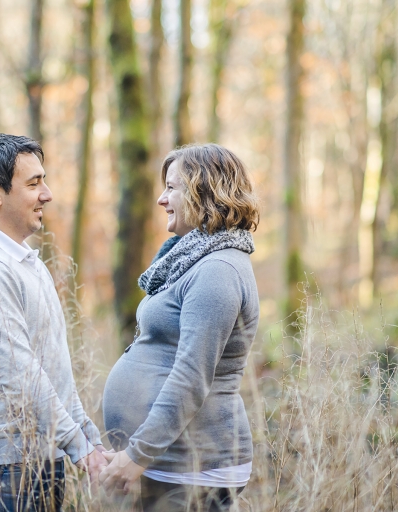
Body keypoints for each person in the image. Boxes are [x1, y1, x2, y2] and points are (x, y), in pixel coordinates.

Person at [0, 134, 107, 512]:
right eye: (34, 184)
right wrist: (80, 449)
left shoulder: (22, 262)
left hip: (39, 464)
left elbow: (51, 368)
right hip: (1, 476)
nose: (47, 194)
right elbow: (22, 376)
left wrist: (87, 437)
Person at [99, 143, 260, 511]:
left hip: (194, 468)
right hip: (171, 463)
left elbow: (191, 377)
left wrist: (136, 455)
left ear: (204, 191)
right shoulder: (194, 259)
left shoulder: (218, 271)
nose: (161, 199)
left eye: (171, 187)